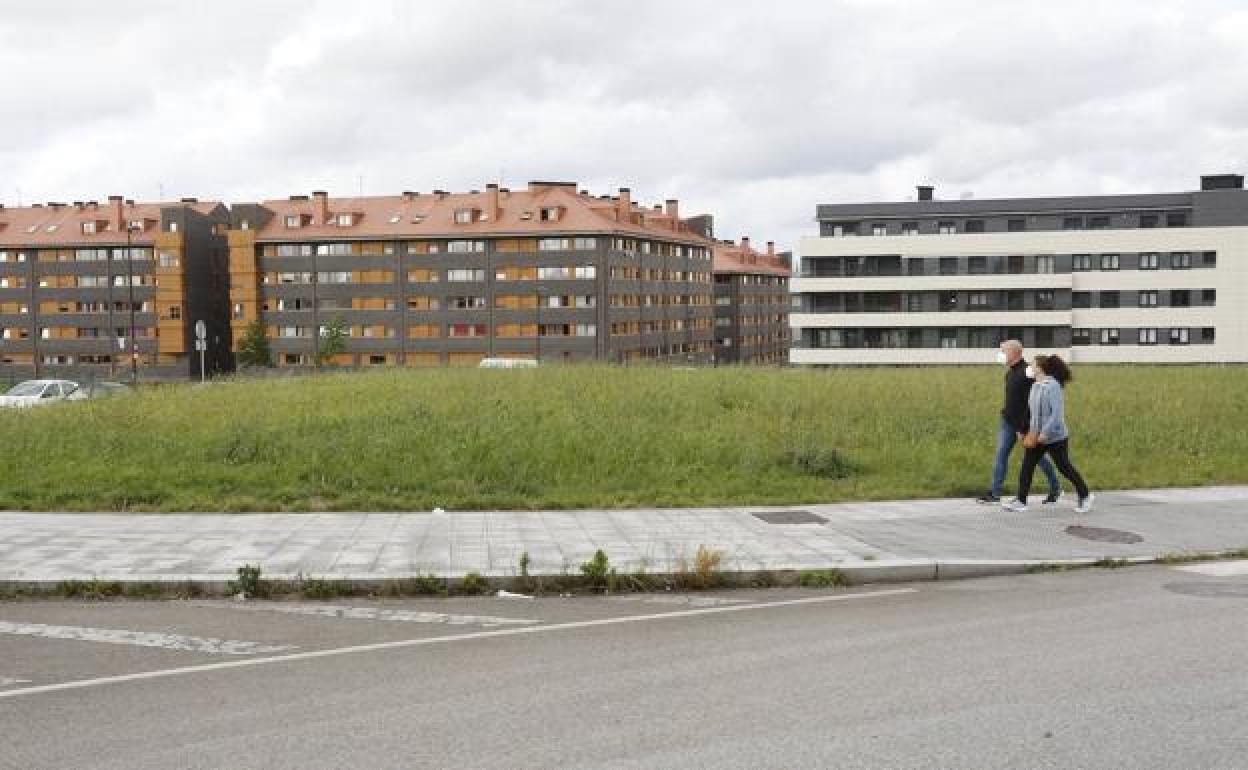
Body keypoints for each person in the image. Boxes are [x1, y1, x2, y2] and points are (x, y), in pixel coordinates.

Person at [1003, 354, 1094, 513]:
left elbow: (1057, 415)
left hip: (1055, 437)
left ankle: (1085, 496)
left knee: (1064, 467)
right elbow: (1030, 412)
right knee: (1027, 467)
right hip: (1036, 435)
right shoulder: (1035, 386)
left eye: (1032, 365)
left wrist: (1045, 433)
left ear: (1040, 368)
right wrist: (1022, 429)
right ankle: (1021, 501)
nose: (1029, 368)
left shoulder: (1053, 386)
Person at [976, 340, 1061, 505]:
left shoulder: (1027, 373)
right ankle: (994, 493)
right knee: (1001, 455)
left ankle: (1055, 488)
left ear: (1014, 353)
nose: (1000, 355)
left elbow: (1031, 403)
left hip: (1024, 425)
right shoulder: (1010, 372)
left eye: (1003, 351)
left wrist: (1022, 427)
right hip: (1007, 422)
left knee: (1038, 459)